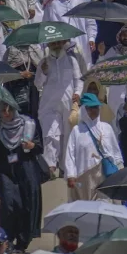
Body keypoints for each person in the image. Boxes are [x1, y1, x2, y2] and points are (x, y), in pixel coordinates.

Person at [0, 102, 43, 253]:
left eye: (9, 110)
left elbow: (40, 147)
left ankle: (22, 241)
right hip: (4, 171)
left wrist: (31, 146)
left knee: (26, 204)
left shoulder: (29, 125)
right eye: (2, 110)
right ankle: (7, 238)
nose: (6, 113)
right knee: (9, 204)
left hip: (26, 169)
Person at [36, 37, 85, 177]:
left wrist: (77, 93)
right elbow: (37, 84)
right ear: (49, 45)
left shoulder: (71, 60)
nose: (56, 45)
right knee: (51, 135)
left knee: (67, 136)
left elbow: (79, 80)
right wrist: (43, 73)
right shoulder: (44, 63)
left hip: (67, 104)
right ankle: (50, 167)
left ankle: (65, 167)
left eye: (59, 42)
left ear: (63, 44)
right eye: (53, 43)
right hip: (49, 104)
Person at [64, 93, 122, 201]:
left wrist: (119, 170)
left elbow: (115, 151)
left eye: (96, 107)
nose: (94, 110)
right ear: (84, 110)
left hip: (104, 173)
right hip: (83, 175)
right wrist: (71, 175)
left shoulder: (107, 128)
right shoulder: (77, 130)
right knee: (84, 207)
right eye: (90, 108)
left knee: (103, 204)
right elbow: (70, 154)